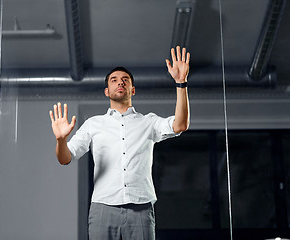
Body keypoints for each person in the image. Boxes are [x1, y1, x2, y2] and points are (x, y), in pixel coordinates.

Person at [49, 46, 190, 240]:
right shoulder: (93, 124)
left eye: (125, 80)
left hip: (141, 208)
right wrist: (60, 139)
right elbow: (65, 159)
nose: (120, 83)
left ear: (133, 89)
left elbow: (180, 124)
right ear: (107, 91)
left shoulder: (148, 121)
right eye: (114, 80)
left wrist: (181, 83)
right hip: (103, 208)